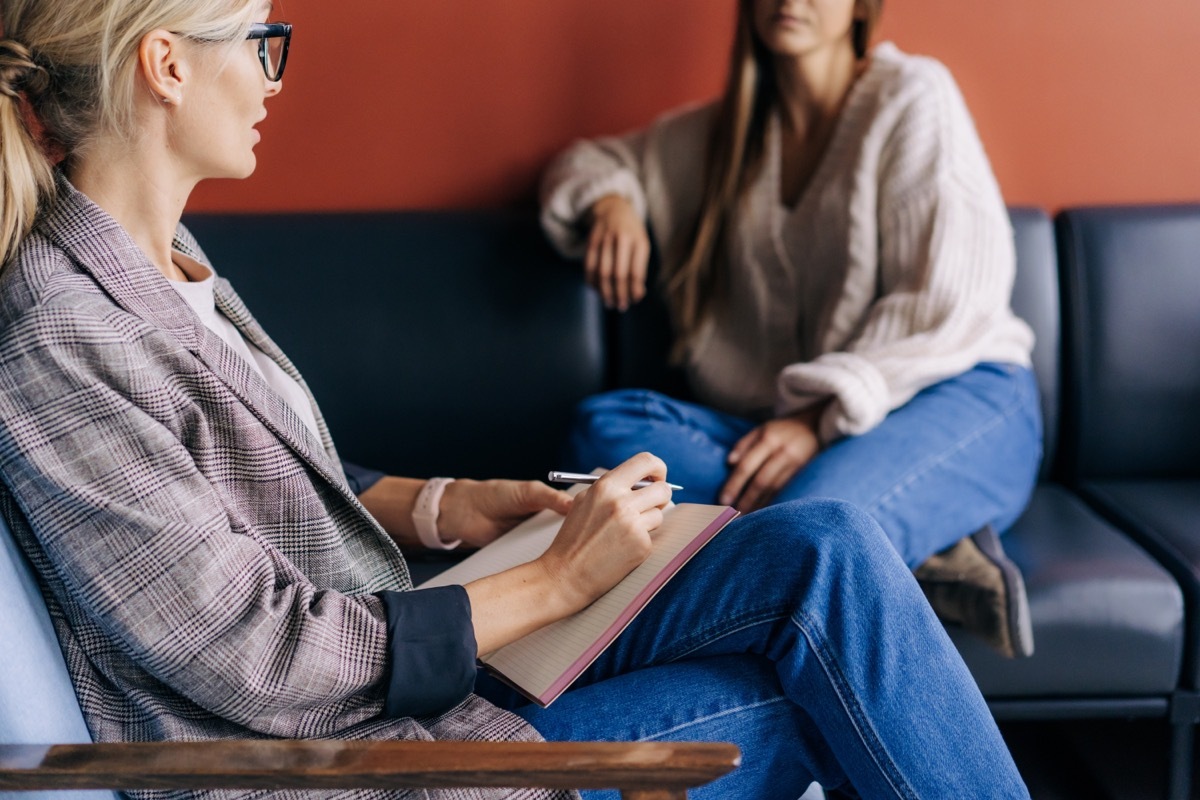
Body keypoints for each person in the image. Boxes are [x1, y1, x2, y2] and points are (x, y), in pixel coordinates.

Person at [0, 0, 1031, 797]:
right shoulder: (63, 334)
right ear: (167, 64)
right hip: (357, 756)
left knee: (831, 547)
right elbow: (262, 653)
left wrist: (454, 502)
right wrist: (554, 583)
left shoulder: (165, 264)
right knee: (829, 688)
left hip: (406, 684)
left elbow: (270, 480)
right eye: (263, 41)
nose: (274, 76)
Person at [540, 0, 1042, 658]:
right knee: (604, 435)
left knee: (810, 539)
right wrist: (613, 202)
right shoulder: (722, 139)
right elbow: (588, 162)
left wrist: (817, 421)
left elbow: (951, 301)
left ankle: (858, 525)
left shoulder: (912, 96)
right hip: (796, 432)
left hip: (957, 394)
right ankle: (924, 553)